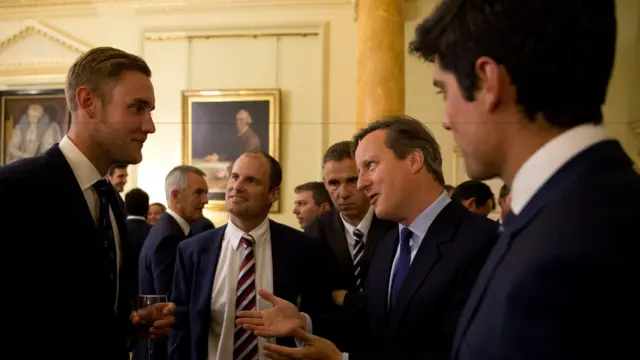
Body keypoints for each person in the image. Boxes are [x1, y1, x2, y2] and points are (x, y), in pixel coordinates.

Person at [410, 0, 639, 359]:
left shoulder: (567, 260)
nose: (446, 119)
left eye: (444, 91)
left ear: (488, 81)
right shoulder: (589, 204)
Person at [236, 116, 498, 360]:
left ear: (414, 160)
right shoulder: (390, 244)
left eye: (369, 166)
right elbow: (371, 324)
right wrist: (304, 322)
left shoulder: (483, 243)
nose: (360, 184)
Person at [0, 46, 174, 360]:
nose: (150, 126)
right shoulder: (15, 189)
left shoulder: (109, 200)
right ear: (88, 102)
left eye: (150, 110)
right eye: (137, 108)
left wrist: (131, 323)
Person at [169, 151, 334, 360]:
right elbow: (180, 330)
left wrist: (303, 321)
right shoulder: (192, 251)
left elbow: (327, 320)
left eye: (251, 181)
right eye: (235, 177)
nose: (237, 186)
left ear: (272, 194)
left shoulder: (305, 250)